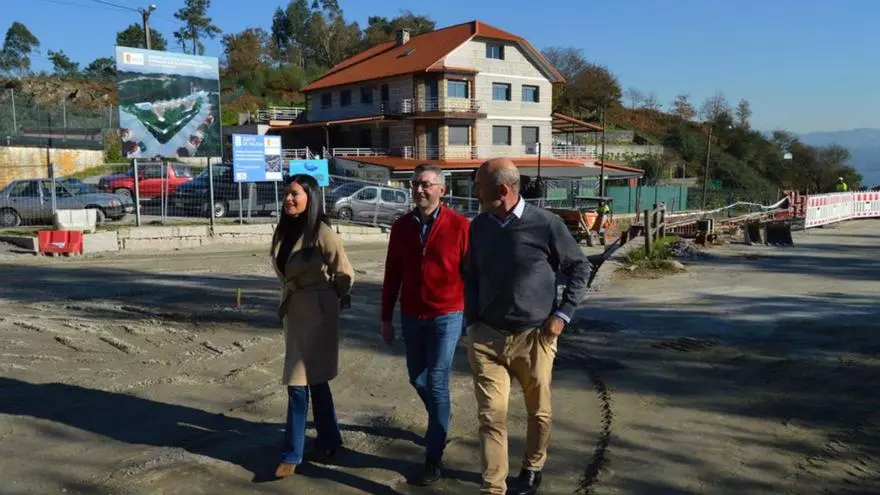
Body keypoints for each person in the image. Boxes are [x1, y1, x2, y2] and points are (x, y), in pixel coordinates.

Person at [464, 158, 592, 495]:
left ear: (502, 190)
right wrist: (471, 323)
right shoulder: (479, 227)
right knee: (491, 416)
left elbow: (580, 267)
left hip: (535, 337)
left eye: (479, 186)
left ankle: (533, 466)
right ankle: (493, 487)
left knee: (539, 413)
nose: (475, 192)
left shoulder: (546, 224)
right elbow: (471, 276)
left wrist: (562, 315)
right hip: (487, 338)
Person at [380, 163, 471, 485]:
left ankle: (433, 457)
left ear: (441, 190)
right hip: (412, 315)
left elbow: (472, 275)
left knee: (436, 381)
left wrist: (472, 318)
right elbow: (392, 273)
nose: (419, 190)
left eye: (426, 185)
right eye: (415, 184)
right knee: (416, 378)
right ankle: (440, 419)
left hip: (447, 315)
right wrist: (385, 317)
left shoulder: (460, 226)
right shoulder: (401, 226)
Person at [270, 173, 355, 478]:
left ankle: (291, 454)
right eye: (286, 193)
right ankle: (330, 440)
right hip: (295, 313)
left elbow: (345, 273)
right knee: (315, 380)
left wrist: (328, 300)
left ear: (311, 197)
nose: (288, 199)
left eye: (295, 194)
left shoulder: (321, 232)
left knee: (297, 384)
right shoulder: (283, 231)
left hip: (318, 316)